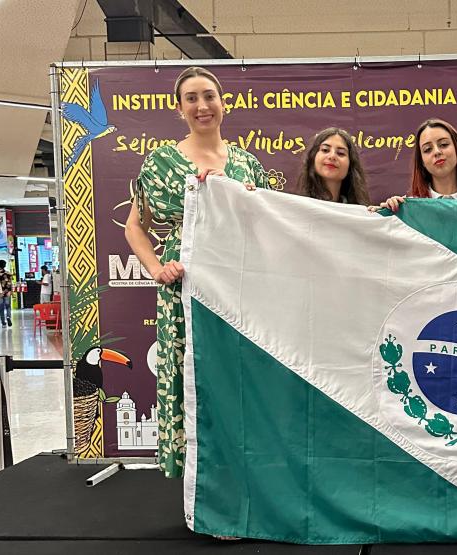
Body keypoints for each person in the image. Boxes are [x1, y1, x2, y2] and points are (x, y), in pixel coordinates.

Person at [124, 66, 270, 479]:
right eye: (191, 98)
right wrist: (156, 267)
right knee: (191, 371)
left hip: (236, 283)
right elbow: (136, 224)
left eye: (209, 96)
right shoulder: (160, 162)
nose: (202, 106)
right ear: (179, 108)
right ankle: (200, 482)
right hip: (184, 283)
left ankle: (240, 474)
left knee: (234, 373)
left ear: (223, 102)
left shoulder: (246, 164)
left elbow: (266, 224)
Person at [373, 118, 457, 212]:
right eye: (427, 149)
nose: (437, 152)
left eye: (443, 144)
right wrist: (385, 214)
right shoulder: (409, 209)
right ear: (422, 161)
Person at [297, 128, 370, 205]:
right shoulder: (296, 210)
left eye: (340, 153)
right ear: (313, 158)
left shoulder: (361, 213)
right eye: (325, 150)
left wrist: (382, 214)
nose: (332, 156)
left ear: (350, 166)